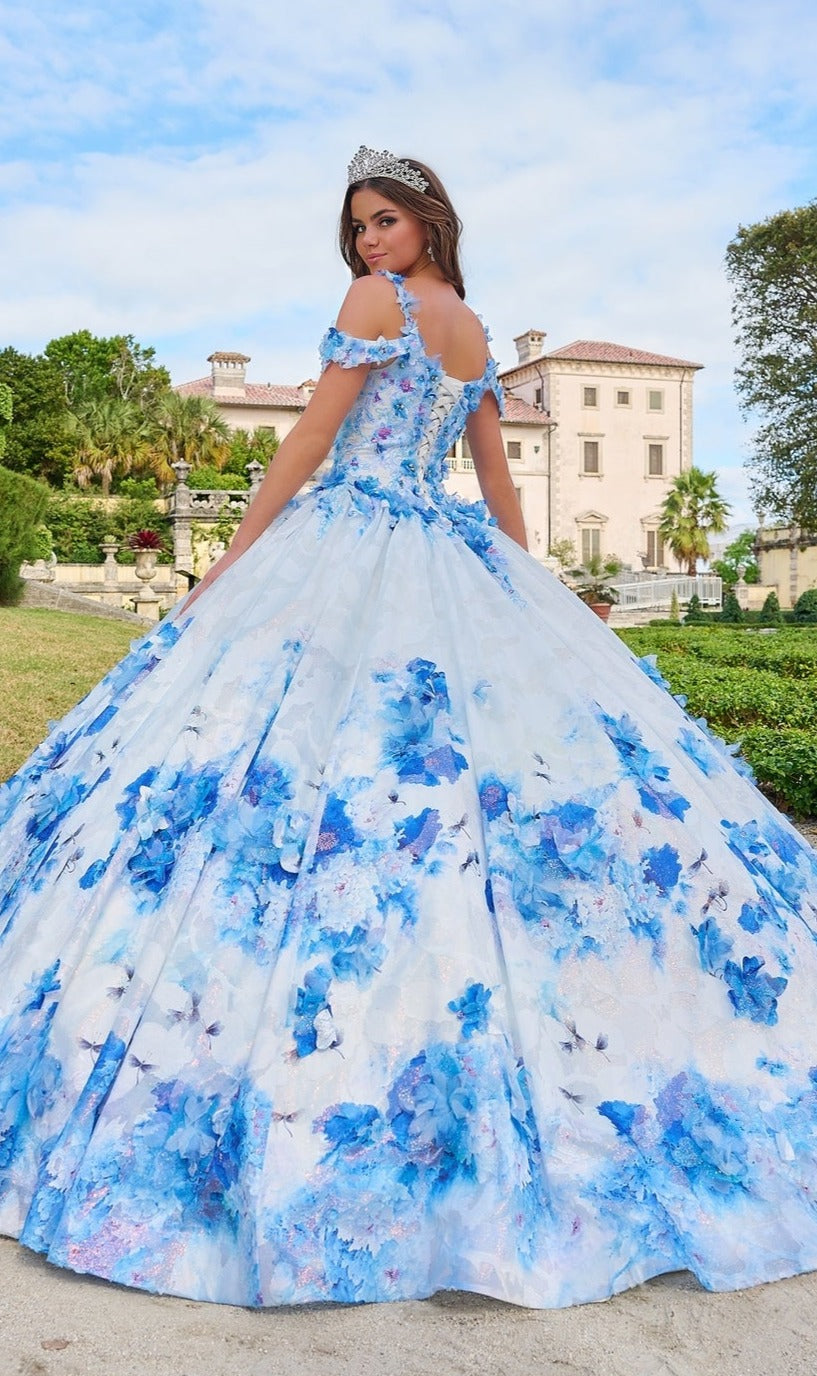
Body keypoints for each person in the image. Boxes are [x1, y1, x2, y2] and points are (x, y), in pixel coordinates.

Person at [1, 146, 817, 1311]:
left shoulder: (373, 308)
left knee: (295, 763)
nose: (369, 241)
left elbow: (312, 438)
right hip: (442, 553)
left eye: (384, 219)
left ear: (428, 219)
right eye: (358, 227)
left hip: (347, 539)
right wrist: (525, 598)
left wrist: (229, 562)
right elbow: (493, 483)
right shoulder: (473, 328)